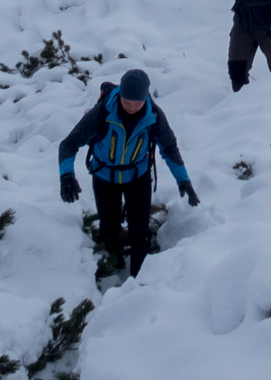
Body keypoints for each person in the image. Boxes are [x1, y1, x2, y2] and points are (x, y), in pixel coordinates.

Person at [58, 68, 197, 278]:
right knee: (109, 230)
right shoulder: (103, 113)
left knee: (140, 234)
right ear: (120, 95)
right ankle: (114, 261)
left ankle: (137, 281)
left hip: (138, 178)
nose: (131, 107)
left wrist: (183, 180)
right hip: (104, 177)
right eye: (126, 102)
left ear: (145, 98)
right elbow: (68, 144)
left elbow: (169, 148)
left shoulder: (154, 116)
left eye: (137, 103)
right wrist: (66, 175)